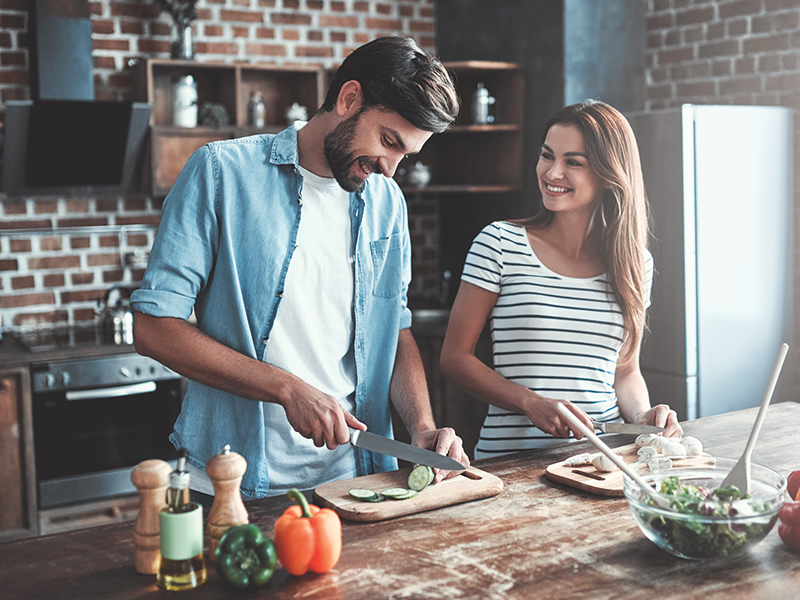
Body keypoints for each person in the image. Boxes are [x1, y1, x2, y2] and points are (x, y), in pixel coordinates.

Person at [131, 36, 469, 499]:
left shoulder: (387, 202)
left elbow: (396, 329)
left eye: (405, 155)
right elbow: (153, 328)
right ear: (349, 99)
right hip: (234, 481)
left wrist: (423, 428)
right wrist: (288, 389)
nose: (390, 169)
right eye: (388, 141)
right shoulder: (221, 173)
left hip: (356, 480)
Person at [439, 100, 683, 459]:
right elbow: (454, 358)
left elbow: (625, 371)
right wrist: (530, 402)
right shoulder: (500, 243)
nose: (552, 173)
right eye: (547, 155)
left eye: (573, 162)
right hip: (511, 462)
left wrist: (642, 415)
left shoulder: (635, 263)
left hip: (602, 460)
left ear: (608, 173)